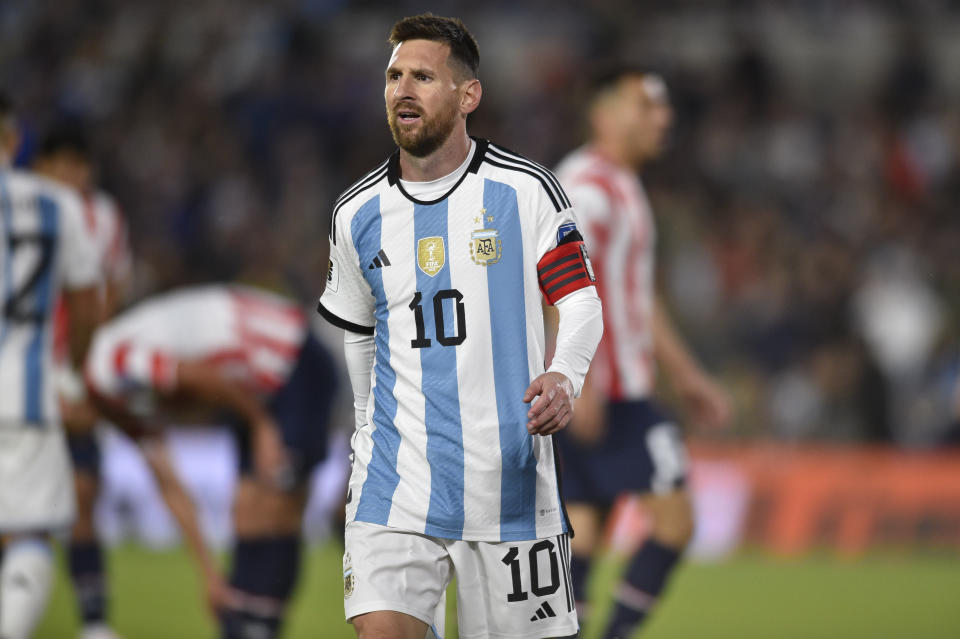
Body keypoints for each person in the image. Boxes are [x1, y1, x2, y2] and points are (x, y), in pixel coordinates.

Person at [317, 13, 603, 639]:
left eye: (423, 75)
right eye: (394, 76)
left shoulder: (525, 192)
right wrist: (368, 425)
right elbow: (359, 330)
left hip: (510, 487)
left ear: (468, 94)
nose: (402, 89)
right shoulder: (356, 213)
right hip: (395, 483)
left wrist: (565, 376)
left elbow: (580, 302)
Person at [553, 68, 733, 638]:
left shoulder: (623, 185)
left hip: (618, 388)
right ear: (603, 116)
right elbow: (553, 283)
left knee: (583, 525)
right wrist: (571, 380)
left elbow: (637, 299)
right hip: (603, 392)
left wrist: (689, 377)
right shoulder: (585, 187)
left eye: (664, 108)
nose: (663, 118)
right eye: (645, 107)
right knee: (673, 521)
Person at [83, 284, 339, 639]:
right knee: (247, 513)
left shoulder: (113, 366)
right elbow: (169, 483)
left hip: (291, 358)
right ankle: (241, 628)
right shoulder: (117, 399)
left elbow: (200, 377)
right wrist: (210, 575)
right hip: (251, 381)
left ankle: (258, 629)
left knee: (275, 507)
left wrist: (261, 424)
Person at [0, 94, 103, 639]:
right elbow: (88, 306)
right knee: (29, 535)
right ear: (13, 142)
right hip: (27, 396)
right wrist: (74, 369)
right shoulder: (55, 205)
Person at [33, 123, 133, 639]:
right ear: (42, 166)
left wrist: (86, 376)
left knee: (83, 496)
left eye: (82, 165)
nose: (76, 175)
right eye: (65, 164)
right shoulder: (20, 211)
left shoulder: (105, 217)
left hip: (77, 378)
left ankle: (94, 622)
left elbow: (109, 295)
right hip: (21, 377)